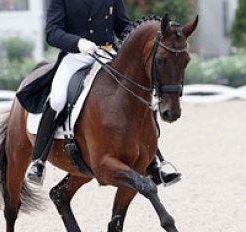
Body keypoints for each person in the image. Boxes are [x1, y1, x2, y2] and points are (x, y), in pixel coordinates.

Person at [26, 0, 181, 186]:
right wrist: (78, 43)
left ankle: (153, 163)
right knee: (58, 99)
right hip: (76, 56)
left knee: (138, 94)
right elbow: (52, 33)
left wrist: (149, 35)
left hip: (108, 53)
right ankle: (38, 161)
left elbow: (123, 26)